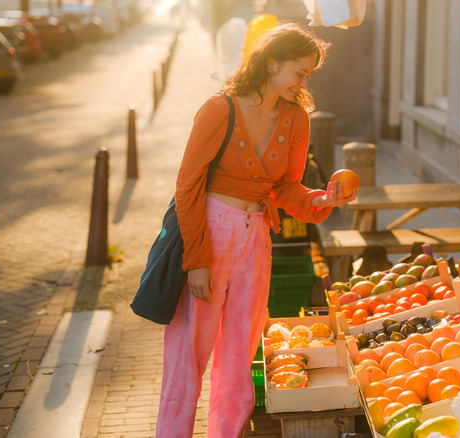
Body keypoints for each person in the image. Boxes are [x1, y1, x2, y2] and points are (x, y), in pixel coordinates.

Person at [155, 23, 354, 438]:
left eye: (308, 75)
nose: (303, 82)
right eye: (299, 72)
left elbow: (286, 188)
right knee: (187, 357)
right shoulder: (219, 109)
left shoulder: (297, 119)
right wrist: (196, 260)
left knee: (239, 358)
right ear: (271, 62)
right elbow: (188, 184)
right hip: (209, 230)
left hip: (256, 236)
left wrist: (320, 201)